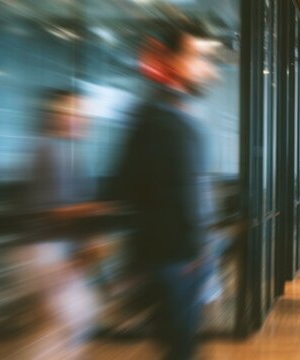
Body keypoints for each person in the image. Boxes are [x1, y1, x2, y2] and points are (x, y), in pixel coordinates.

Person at [106, 20, 219, 360]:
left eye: (207, 59)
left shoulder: (178, 115)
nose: (207, 69)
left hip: (186, 259)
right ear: (166, 57)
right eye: (197, 56)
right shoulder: (154, 118)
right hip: (171, 261)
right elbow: (126, 188)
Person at [23, 88, 103, 359]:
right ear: (55, 116)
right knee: (72, 316)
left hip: (58, 248)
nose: (82, 119)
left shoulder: (67, 153)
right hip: (46, 249)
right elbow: (51, 211)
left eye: (82, 113)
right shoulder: (49, 151)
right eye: (74, 112)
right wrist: (102, 208)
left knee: (73, 319)